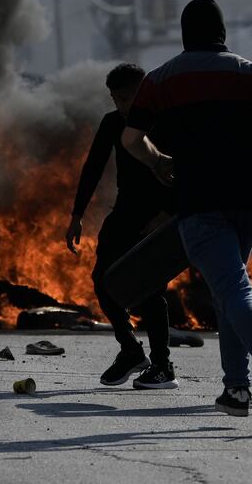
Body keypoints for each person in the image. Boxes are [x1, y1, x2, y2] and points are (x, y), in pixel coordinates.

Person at [121, 0, 252, 435]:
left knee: (233, 287)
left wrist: (158, 161)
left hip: (201, 203)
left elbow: (131, 139)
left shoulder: (161, 79)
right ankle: (236, 389)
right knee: (231, 286)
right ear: (223, 32)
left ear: (185, 32)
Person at [66, 63, 176, 390]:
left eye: (129, 98)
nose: (123, 106)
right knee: (102, 279)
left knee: (152, 291)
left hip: (159, 217)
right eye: (117, 99)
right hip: (125, 212)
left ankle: (162, 365)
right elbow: (93, 166)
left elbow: (191, 168)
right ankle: (130, 349)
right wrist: (76, 216)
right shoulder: (113, 122)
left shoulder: (168, 120)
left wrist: (168, 214)